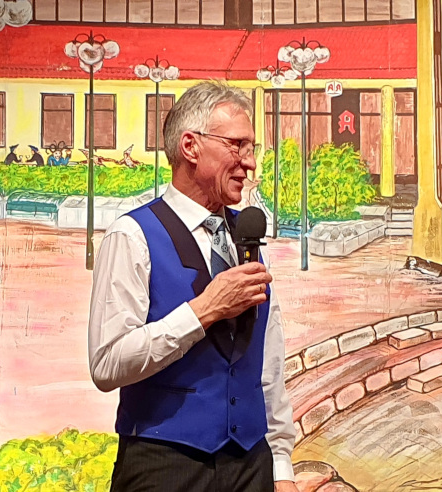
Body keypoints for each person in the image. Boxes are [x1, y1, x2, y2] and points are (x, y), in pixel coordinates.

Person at [88, 81, 298, 492]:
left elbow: (267, 364)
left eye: (252, 148)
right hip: (163, 466)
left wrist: (281, 467)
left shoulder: (248, 240)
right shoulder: (132, 236)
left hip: (252, 465)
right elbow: (107, 363)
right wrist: (203, 311)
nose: (249, 162)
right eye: (237, 145)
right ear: (190, 146)